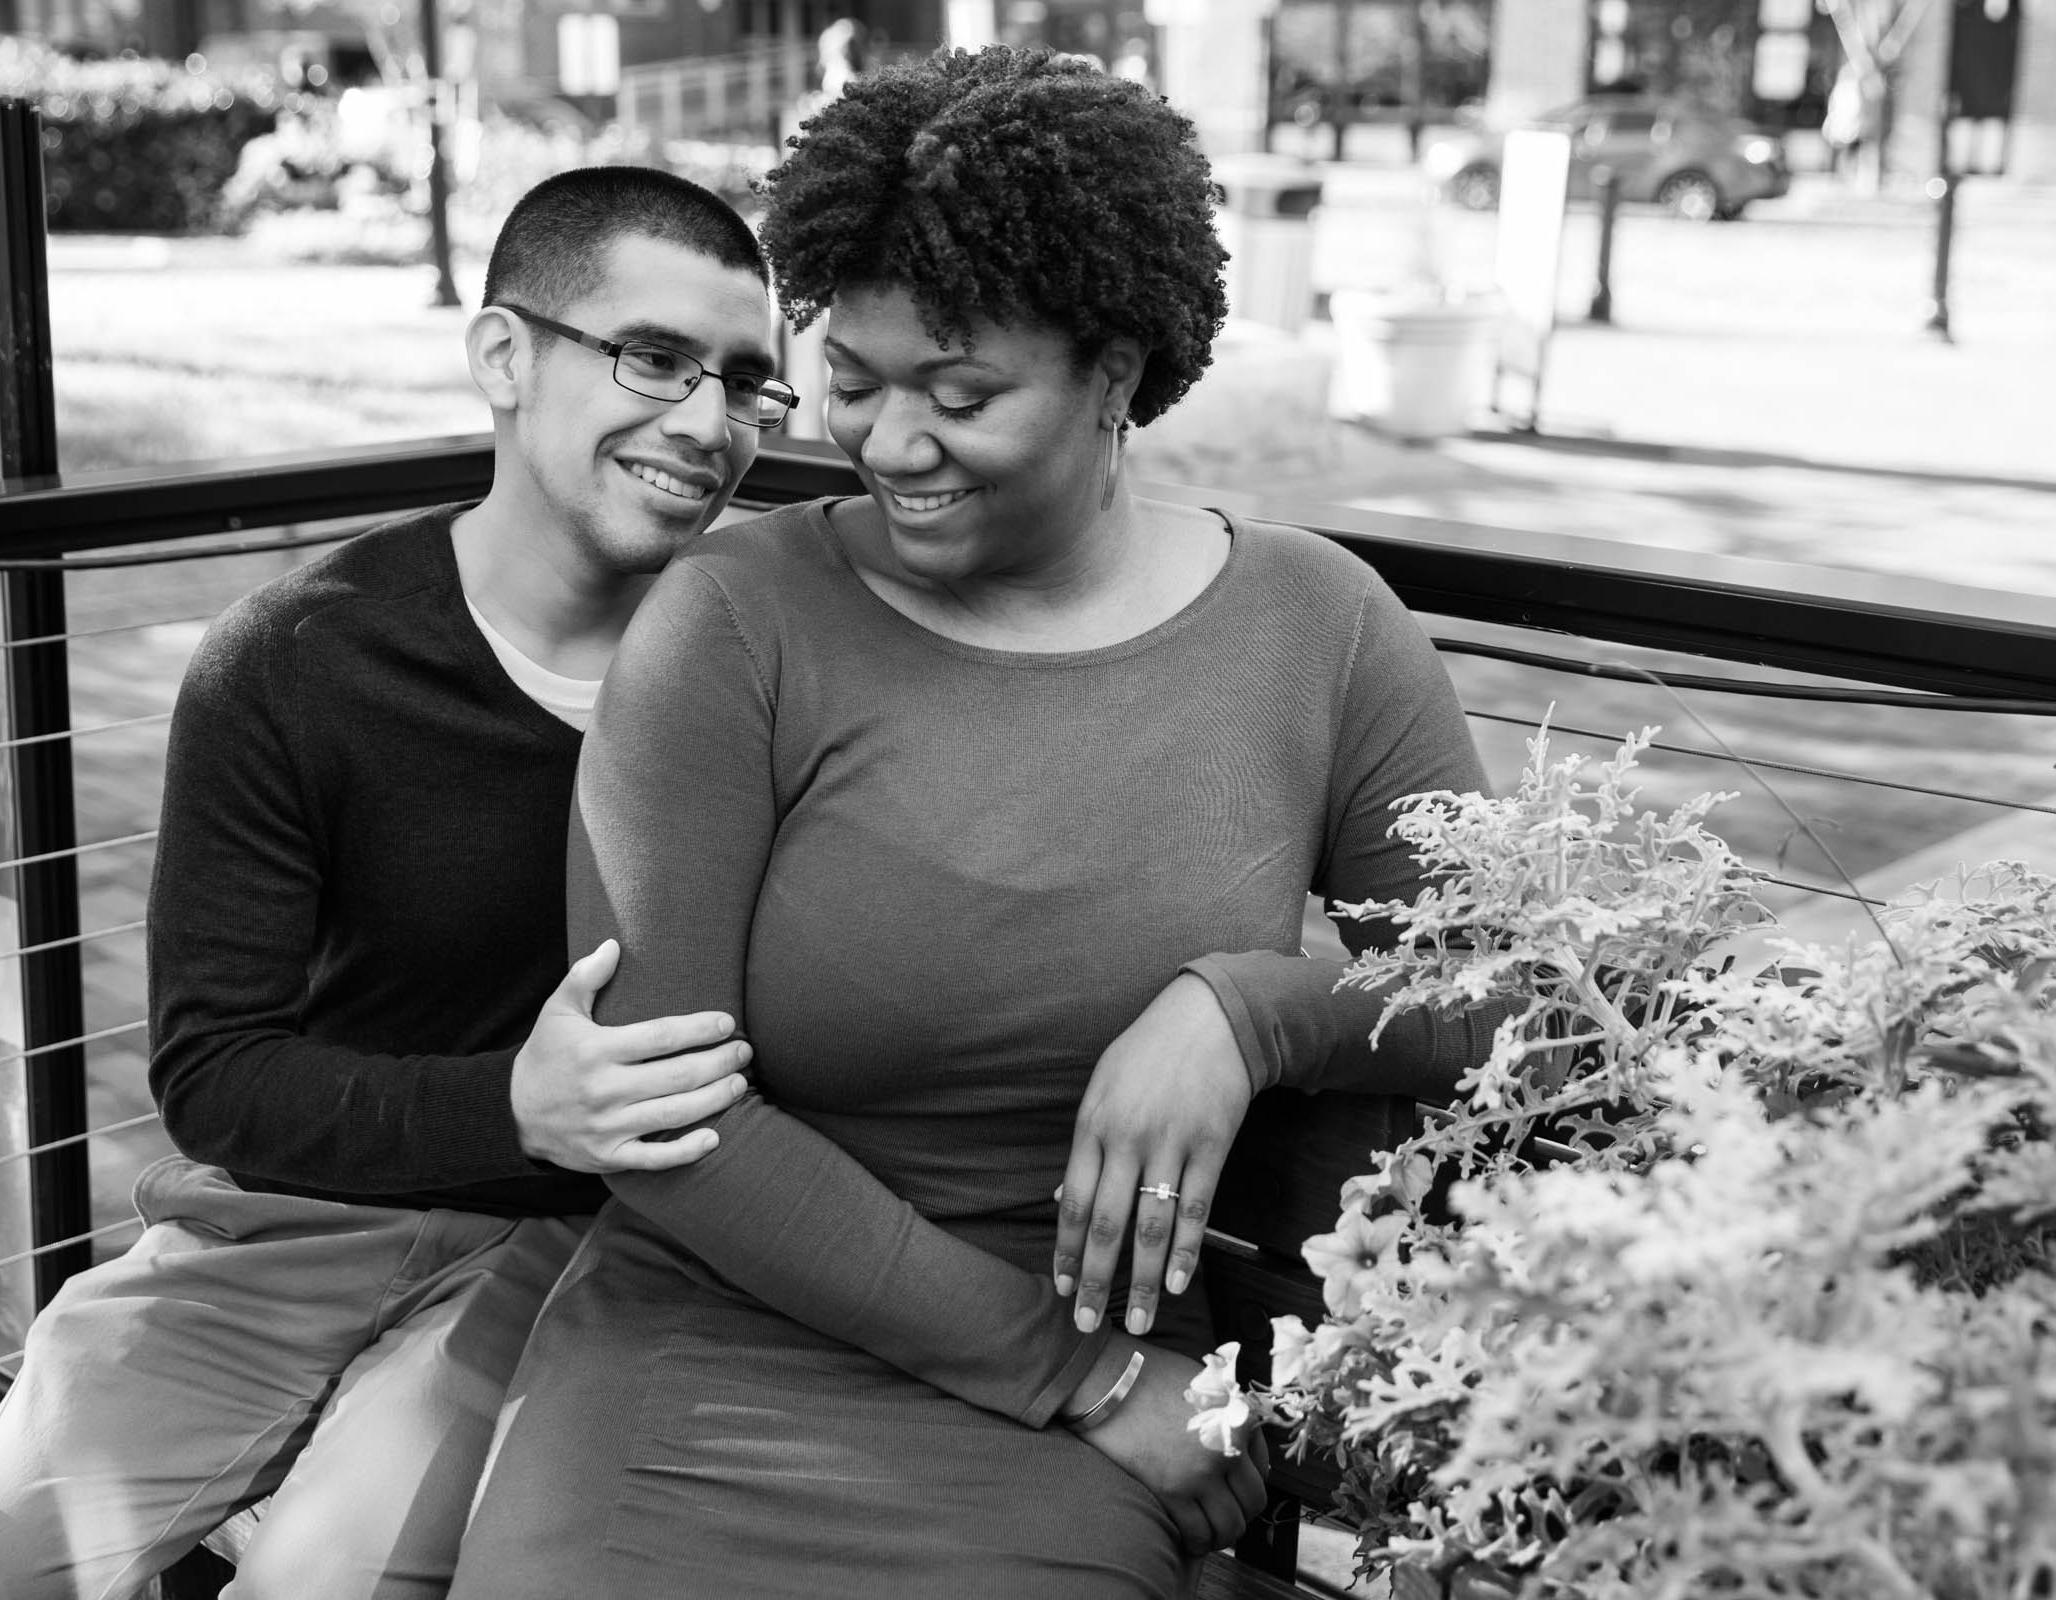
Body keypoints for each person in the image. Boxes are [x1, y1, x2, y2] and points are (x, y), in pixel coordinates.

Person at [448, 48, 1497, 1598]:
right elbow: (658, 1115)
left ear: (1118, 373)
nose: (887, 444)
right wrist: (1072, 1377)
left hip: (1081, 1414)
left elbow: (1502, 1001)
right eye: (853, 382)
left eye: (961, 395)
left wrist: (1249, 1014)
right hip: (723, 1338)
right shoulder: (732, 626)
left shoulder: (1316, 627)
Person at [0, 166, 790, 1600]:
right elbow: (213, 1072)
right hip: (282, 1224)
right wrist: (513, 1102)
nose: (706, 421)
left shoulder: (762, 665)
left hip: (570, 1256)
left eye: (748, 383)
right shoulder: (298, 657)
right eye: (654, 357)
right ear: (503, 355)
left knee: (325, 1579)